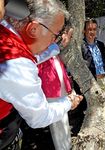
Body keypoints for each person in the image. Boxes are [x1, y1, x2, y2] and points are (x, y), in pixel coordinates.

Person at [0, 0, 83, 149]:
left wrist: (57, 46)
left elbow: (35, 57)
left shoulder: (7, 31)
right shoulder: (16, 65)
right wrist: (69, 103)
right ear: (33, 29)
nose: (54, 40)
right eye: (55, 35)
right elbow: (39, 117)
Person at [81, 18, 105, 91]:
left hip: (104, 80)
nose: (92, 32)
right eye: (89, 29)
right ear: (84, 31)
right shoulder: (81, 46)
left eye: (94, 29)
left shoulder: (101, 45)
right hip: (91, 82)